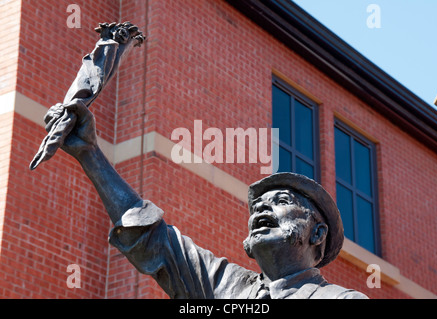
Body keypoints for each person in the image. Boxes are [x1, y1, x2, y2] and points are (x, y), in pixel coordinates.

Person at [44, 100, 368, 299]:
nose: (261, 210)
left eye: (280, 200)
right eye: (256, 207)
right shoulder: (225, 290)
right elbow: (151, 238)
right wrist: (89, 153)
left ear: (317, 233)